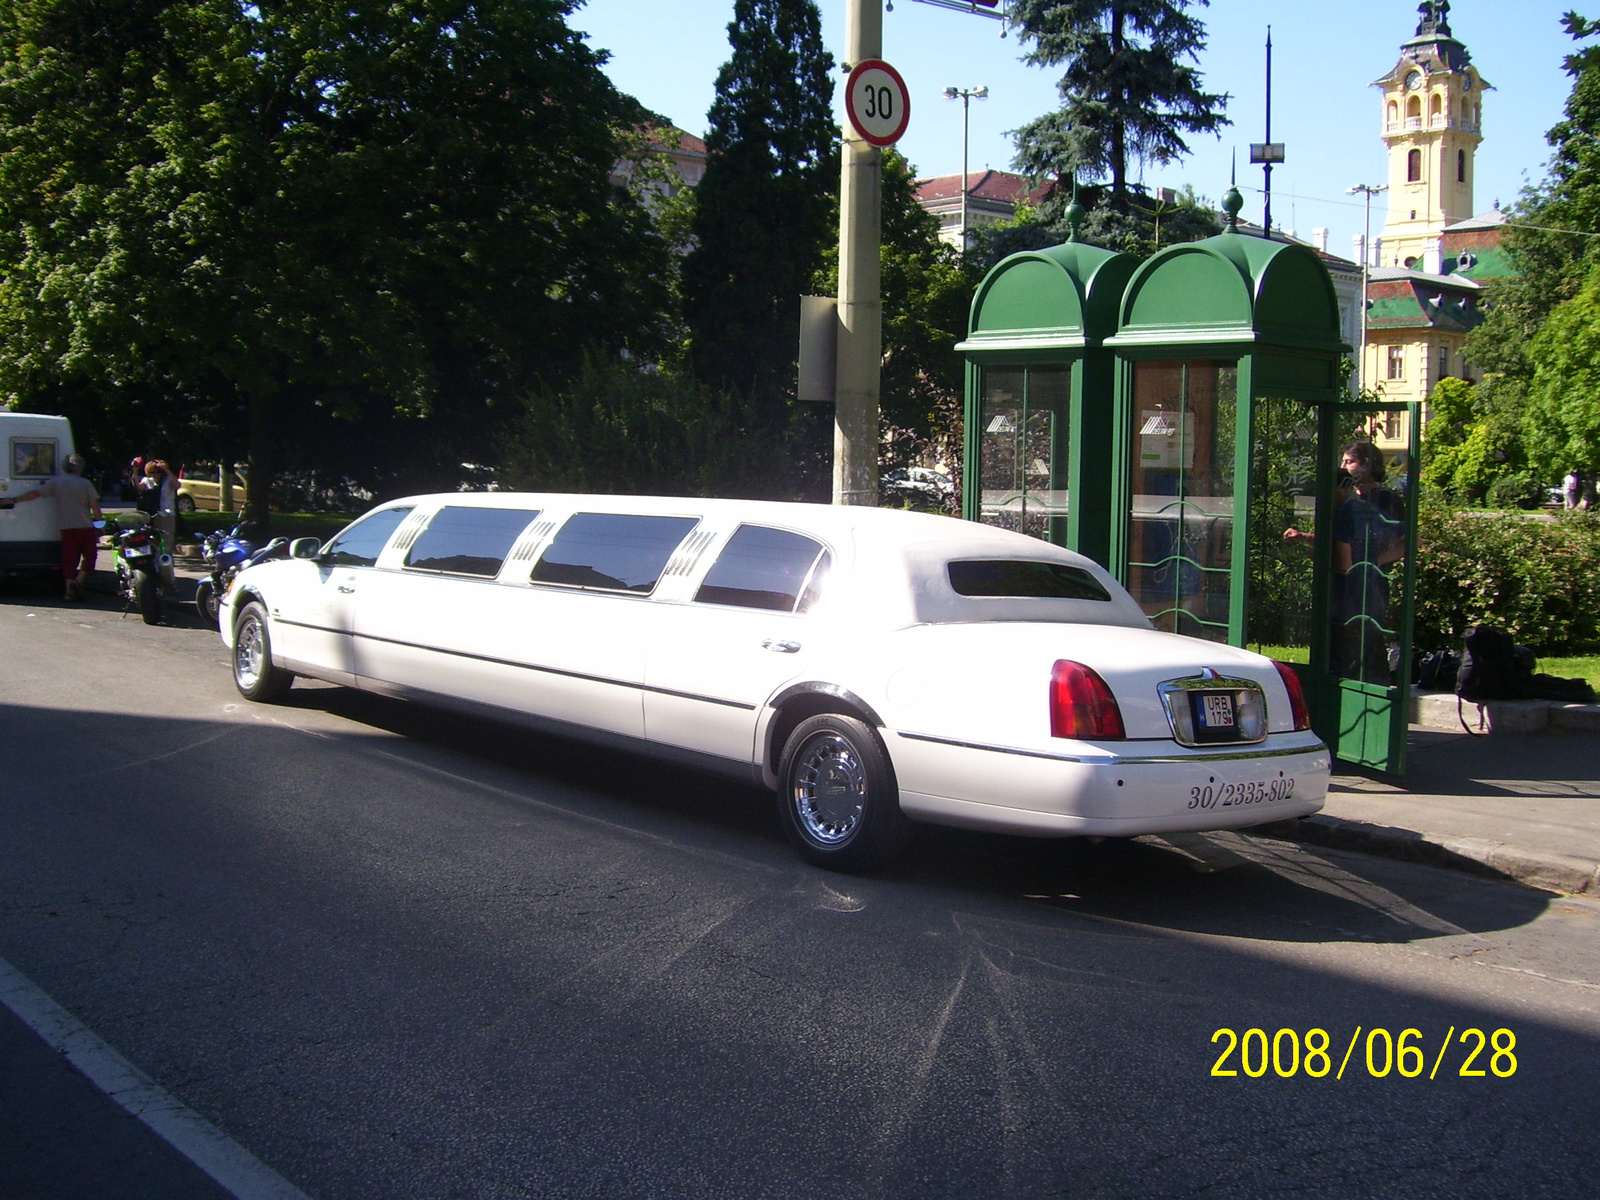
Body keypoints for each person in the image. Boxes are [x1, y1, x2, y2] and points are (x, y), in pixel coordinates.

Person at [0, 453, 103, 600]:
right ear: (80, 468)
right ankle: (78, 581)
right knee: (90, 555)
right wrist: (99, 524)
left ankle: (68, 590)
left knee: (69, 558)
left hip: (65, 526)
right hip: (84, 525)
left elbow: (36, 494)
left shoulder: (56, 482)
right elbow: (95, 505)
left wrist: (15, 499)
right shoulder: (85, 483)